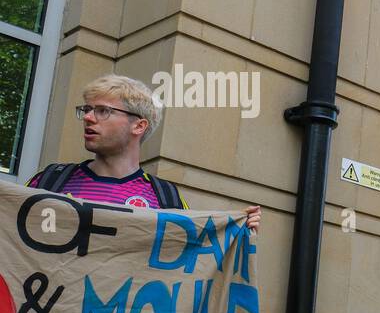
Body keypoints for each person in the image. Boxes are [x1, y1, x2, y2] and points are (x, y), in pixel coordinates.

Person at [29, 74, 260, 229]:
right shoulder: (50, 181)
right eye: (87, 109)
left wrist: (237, 231)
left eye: (102, 111)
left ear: (138, 126)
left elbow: (192, 256)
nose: (88, 117)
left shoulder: (166, 199)